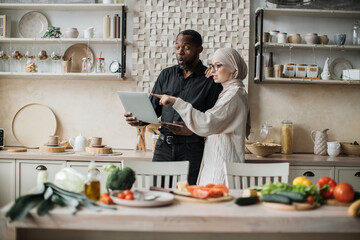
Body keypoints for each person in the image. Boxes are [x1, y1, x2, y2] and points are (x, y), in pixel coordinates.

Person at [124, 30, 223, 185]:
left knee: (189, 196)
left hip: (192, 149)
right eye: (177, 47)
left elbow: (214, 120)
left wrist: (192, 130)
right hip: (163, 147)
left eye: (186, 48)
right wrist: (138, 119)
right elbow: (152, 111)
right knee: (157, 193)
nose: (180, 52)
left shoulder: (210, 80)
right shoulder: (166, 75)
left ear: (199, 50)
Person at [152, 48, 249, 185]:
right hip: (219, 162)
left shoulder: (233, 95)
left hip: (221, 167)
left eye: (218, 65)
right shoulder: (234, 91)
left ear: (233, 68)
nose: (212, 70)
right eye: (212, 65)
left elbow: (207, 123)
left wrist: (176, 101)